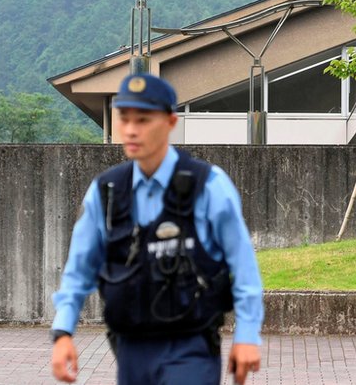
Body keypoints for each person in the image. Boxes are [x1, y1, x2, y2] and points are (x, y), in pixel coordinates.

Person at [50, 73, 263, 385]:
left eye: (144, 119)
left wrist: (247, 335)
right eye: (124, 118)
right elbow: (80, 268)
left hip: (191, 346)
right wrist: (63, 332)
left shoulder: (208, 186)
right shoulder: (106, 192)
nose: (132, 130)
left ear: (170, 122)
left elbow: (243, 266)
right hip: (130, 349)